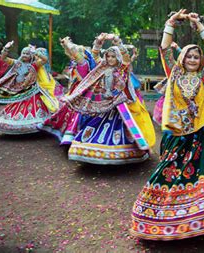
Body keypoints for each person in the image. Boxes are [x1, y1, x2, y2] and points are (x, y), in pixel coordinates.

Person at [130, 9, 204, 240]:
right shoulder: (173, 73)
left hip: (200, 135)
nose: (193, 60)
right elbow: (164, 50)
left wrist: (198, 26)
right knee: (170, 173)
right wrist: (170, 23)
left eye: (196, 57)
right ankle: (164, 215)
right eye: (189, 56)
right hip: (176, 134)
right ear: (181, 59)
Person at [62, 33, 155, 165]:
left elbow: (126, 59)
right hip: (104, 106)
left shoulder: (122, 68)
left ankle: (132, 151)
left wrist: (118, 43)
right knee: (94, 125)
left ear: (117, 57)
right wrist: (98, 43)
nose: (110, 59)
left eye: (113, 56)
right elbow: (94, 56)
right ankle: (91, 152)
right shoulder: (102, 68)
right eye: (108, 56)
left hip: (120, 106)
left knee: (129, 127)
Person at [0, 46, 59, 134]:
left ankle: (39, 126)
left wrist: (36, 53)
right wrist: (5, 49)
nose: (24, 55)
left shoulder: (35, 65)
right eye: (23, 53)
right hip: (20, 92)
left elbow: (45, 60)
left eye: (27, 54)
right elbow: (4, 58)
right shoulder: (17, 63)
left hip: (32, 91)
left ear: (31, 55)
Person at [38, 37, 95, 144]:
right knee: (68, 110)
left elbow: (81, 78)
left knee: (77, 112)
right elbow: (71, 53)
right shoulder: (78, 63)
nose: (73, 55)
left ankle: (73, 135)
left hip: (82, 91)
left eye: (76, 53)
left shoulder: (84, 64)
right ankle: (66, 132)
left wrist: (68, 44)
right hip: (75, 89)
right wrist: (65, 45)